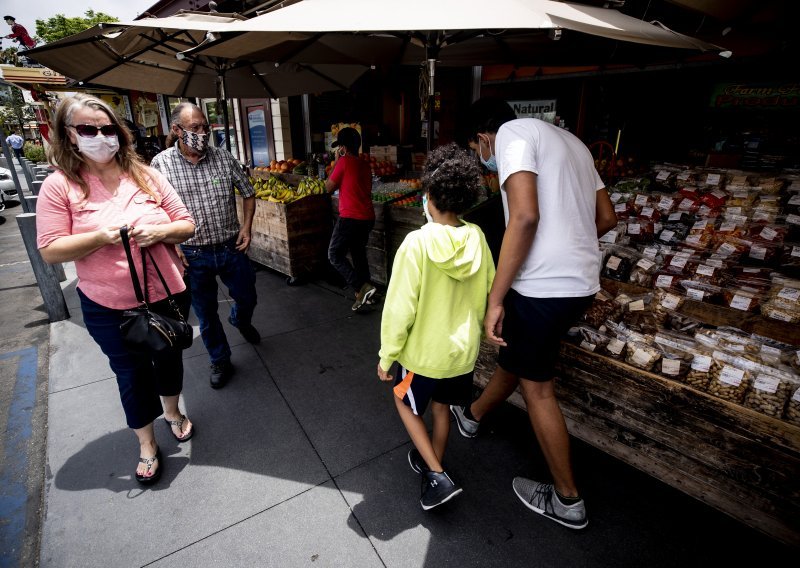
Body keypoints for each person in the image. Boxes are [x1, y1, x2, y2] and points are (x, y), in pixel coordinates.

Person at [451, 98, 617, 529]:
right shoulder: (574, 142)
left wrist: (495, 298)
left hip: (542, 287)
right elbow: (607, 216)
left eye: (476, 149)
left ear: (483, 135)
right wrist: (567, 245)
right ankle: (472, 417)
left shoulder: (510, 135)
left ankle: (567, 500)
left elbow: (523, 217)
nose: (482, 158)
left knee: (538, 389)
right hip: (580, 283)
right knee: (523, 355)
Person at [35, 94, 197, 485]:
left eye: (108, 129)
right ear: (70, 136)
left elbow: (187, 224)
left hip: (168, 292)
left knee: (170, 358)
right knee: (130, 372)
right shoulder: (61, 186)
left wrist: (158, 231)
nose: (100, 137)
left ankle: (173, 412)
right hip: (109, 305)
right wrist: (100, 237)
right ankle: (146, 442)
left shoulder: (146, 175)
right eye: (88, 129)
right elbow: (50, 249)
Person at [377, 143, 495, 510]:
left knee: (404, 402)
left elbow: (399, 310)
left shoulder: (416, 243)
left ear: (428, 195)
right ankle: (435, 464)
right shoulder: (477, 238)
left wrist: (387, 357)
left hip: (424, 354)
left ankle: (436, 472)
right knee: (442, 409)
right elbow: (488, 292)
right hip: (460, 355)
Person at [151, 102, 259, 389]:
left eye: (205, 127)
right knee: (206, 313)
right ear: (176, 130)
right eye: (194, 128)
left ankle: (241, 319)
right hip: (191, 254)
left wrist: (247, 227)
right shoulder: (160, 165)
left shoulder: (224, 158)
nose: (202, 133)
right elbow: (153, 210)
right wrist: (170, 243)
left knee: (247, 296)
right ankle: (220, 359)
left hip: (230, 246)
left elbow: (249, 193)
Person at [324, 127, 376, 311]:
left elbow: (328, 188)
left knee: (334, 254)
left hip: (350, 217)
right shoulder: (364, 164)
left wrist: (336, 162)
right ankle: (368, 296)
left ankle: (360, 288)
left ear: (344, 147)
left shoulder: (344, 162)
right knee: (358, 253)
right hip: (367, 217)